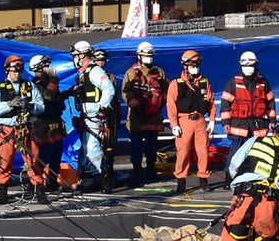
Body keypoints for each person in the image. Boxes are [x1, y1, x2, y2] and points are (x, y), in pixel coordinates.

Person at [0, 55, 45, 204]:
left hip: (25, 128)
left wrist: (30, 106)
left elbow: (41, 106)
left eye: (19, 71)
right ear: (7, 71)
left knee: (33, 160)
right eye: (14, 71)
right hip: (7, 130)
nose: (17, 74)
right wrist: (9, 104)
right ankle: (3, 192)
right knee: (5, 162)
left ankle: (39, 190)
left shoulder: (30, 86)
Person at [167, 49, 217, 194]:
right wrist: (174, 125)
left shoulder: (204, 82)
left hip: (200, 121)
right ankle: (181, 181)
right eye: (192, 65)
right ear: (185, 66)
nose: (195, 67)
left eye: (197, 64)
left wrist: (212, 120)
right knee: (183, 153)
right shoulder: (176, 84)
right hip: (184, 121)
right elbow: (171, 105)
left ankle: (203, 179)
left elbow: (211, 103)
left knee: (203, 151)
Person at [69, 41, 117, 193]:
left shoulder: (95, 71)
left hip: (96, 117)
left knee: (93, 149)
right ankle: (96, 177)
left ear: (83, 55)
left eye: (76, 55)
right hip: (87, 116)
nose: (75, 58)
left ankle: (102, 180)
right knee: (86, 149)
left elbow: (108, 89)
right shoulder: (83, 74)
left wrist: (103, 108)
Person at [123, 41, 169, 186]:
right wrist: (137, 107)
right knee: (136, 148)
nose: (148, 58)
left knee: (151, 148)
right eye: (145, 55)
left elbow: (167, 91)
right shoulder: (131, 73)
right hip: (136, 118)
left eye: (150, 55)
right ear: (139, 56)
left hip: (153, 118)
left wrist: (159, 105)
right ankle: (137, 173)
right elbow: (126, 92)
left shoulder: (159, 73)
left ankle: (151, 170)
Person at [220, 50, 277, 161]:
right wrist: (225, 123)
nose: (248, 68)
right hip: (239, 125)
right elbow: (225, 103)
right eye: (245, 65)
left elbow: (270, 102)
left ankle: (254, 177)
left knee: (257, 155)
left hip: (258, 125)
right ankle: (230, 177)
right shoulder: (233, 82)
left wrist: (272, 120)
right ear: (240, 66)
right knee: (235, 156)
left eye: (250, 65)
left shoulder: (263, 82)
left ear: (255, 65)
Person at [27, 55, 67, 203]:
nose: (48, 68)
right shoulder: (36, 84)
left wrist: (68, 93)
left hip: (55, 124)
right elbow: (47, 98)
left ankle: (52, 182)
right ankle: (33, 184)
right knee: (42, 157)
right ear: (39, 67)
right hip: (43, 127)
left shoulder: (48, 82)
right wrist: (54, 82)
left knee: (56, 155)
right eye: (45, 65)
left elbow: (55, 98)